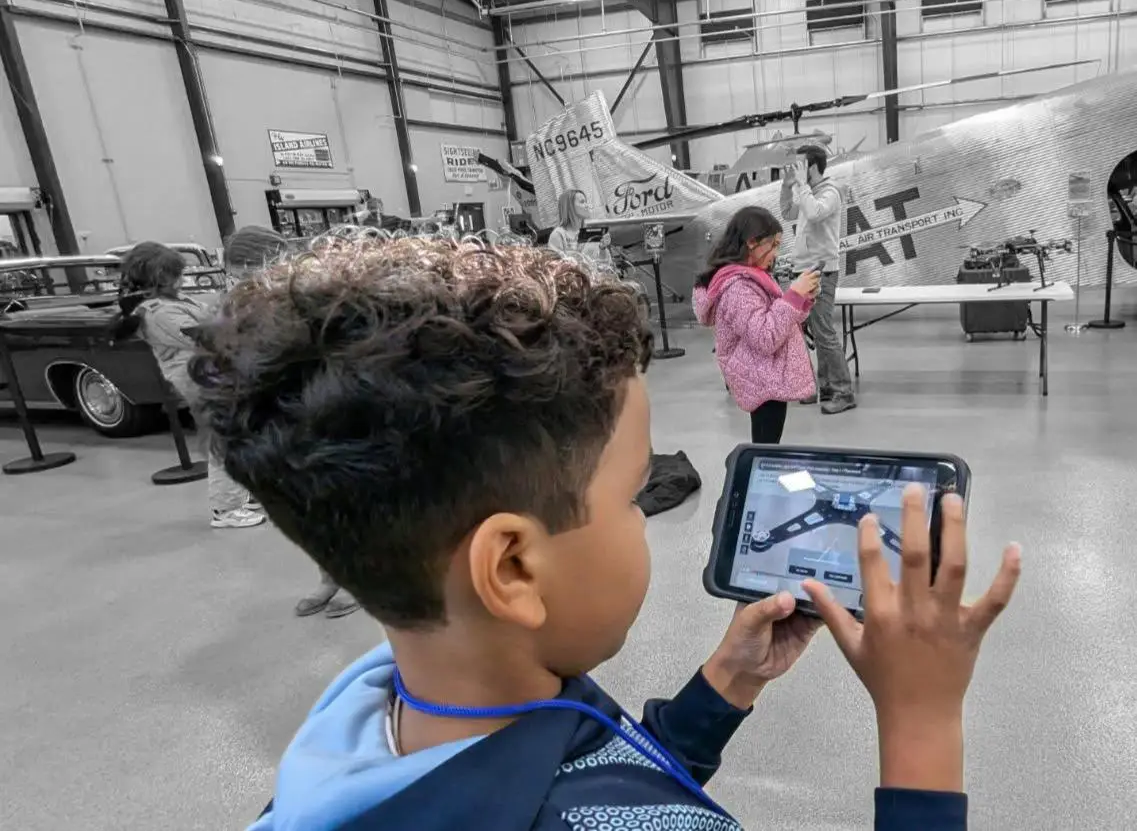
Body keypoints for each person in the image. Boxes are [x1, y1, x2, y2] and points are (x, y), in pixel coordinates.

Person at [189, 237, 1021, 831]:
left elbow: (584, 777)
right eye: (632, 497)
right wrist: (921, 724)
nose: (646, 517)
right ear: (512, 567)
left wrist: (718, 692)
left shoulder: (364, 712)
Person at [223, 226, 359, 619]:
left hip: (324, 413)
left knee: (346, 507)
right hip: (279, 417)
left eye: (245, 271)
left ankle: (359, 580)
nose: (239, 280)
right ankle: (328, 578)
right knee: (307, 510)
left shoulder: (313, 296)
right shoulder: (237, 304)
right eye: (234, 273)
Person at [117, 242, 265, 529]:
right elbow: (205, 336)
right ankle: (226, 508)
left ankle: (236, 496)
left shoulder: (174, 302)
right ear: (159, 277)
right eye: (176, 274)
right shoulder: (159, 312)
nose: (182, 279)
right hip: (200, 378)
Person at [694, 207, 819, 444]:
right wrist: (792, 296)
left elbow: (780, 320)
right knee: (766, 445)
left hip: (766, 375)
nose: (776, 253)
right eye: (773, 245)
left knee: (767, 441)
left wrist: (801, 299)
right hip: (761, 378)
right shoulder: (738, 288)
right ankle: (757, 476)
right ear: (752, 242)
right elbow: (765, 337)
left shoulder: (754, 275)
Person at [780, 144, 856, 415]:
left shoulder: (830, 192)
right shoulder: (807, 191)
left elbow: (813, 213)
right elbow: (788, 213)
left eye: (799, 164)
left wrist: (802, 185)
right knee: (815, 329)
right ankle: (824, 386)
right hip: (804, 270)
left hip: (821, 270)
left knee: (824, 332)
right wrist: (787, 186)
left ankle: (843, 392)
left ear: (811, 166)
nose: (795, 168)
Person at [547, 188, 611, 265]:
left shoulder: (593, 231)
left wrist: (602, 248)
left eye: (586, 202)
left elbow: (605, 266)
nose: (587, 205)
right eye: (582, 202)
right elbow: (555, 266)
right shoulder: (558, 234)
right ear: (569, 206)